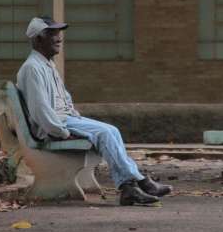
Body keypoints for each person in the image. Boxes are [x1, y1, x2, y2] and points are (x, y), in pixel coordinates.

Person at [16, 16, 172, 205]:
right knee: (105, 133)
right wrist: (62, 133)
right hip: (54, 127)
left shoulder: (47, 65)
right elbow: (41, 111)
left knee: (112, 130)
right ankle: (133, 185)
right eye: (52, 33)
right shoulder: (32, 68)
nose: (59, 38)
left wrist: (76, 118)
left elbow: (64, 99)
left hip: (65, 120)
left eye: (58, 33)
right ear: (37, 39)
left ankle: (134, 184)